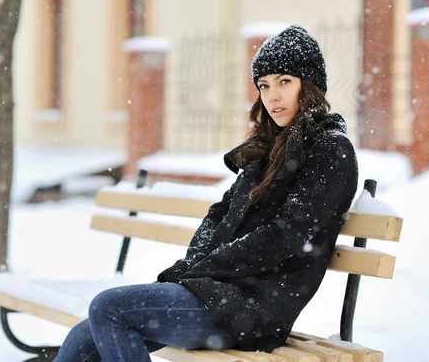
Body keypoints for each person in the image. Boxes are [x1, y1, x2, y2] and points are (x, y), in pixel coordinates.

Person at [53, 25, 359, 362]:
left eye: (284, 81)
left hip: (255, 308)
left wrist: (206, 267)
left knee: (110, 309)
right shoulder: (266, 149)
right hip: (216, 291)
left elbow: (285, 237)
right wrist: (197, 265)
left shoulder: (331, 151)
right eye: (264, 85)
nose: (272, 96)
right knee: (84, 336)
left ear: (310, 84)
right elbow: (219, 215)